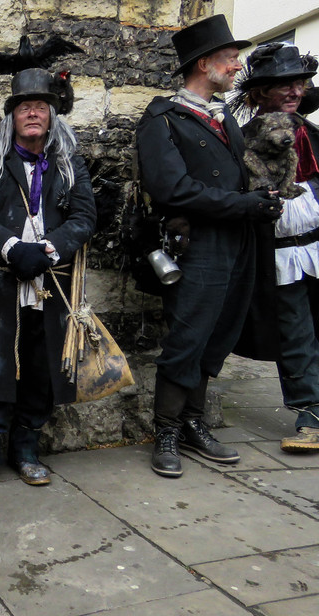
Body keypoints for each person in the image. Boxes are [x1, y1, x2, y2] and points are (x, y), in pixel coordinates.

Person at [135, 16, 282, 478]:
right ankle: (166, 432)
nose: (238, 67)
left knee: (218, 334)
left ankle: (194, 423)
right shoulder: (162, 119)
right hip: (197, 246)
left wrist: (265, 201)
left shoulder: (224, 119)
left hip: (237, 243)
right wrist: (244, 204)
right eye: (231, 58)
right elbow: (171, 189)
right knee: (187, 337)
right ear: (205, 63)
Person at [0, 68, 97, 501]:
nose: (33, 112)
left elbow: (85, 217)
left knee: (40, 372)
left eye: (41, 106)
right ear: (13, 116)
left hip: (52, 287)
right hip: (2, 286)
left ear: (53, 115)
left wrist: (50, 249)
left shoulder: (69, 164)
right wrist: (13, 248)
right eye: (24, 106)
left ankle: (25, 453)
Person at [230, 44, 319, 453]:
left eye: (298, 83)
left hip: (318, 246)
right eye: (282, 84)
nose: (293, 90)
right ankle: (311, 415)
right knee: (295, 331)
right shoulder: (240, 141)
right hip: (279, 253)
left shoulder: (312, 134)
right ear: (259, 93)